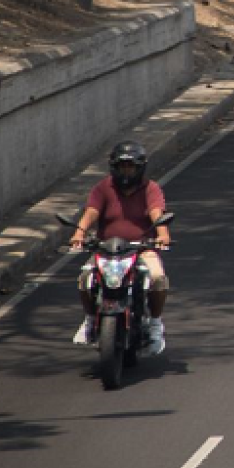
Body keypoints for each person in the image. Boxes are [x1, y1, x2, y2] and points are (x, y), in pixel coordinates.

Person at [68, 141, 171, 355]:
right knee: (85, 279)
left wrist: (162, 234)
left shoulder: (150, 189)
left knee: (158, 278)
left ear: (139, 167)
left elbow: (156, 212)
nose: (126, 171)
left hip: (141, 249)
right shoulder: (104, 188)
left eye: (130, 166)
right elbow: (92, 212)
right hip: (106, 250)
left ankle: (155, 324)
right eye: (122, 166)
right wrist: (79, 233)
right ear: (114, 167)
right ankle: (89, 320)